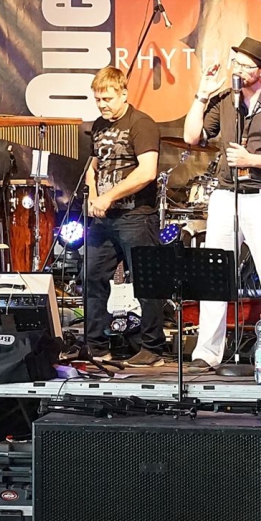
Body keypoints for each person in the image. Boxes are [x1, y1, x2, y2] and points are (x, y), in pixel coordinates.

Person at [183, 37, 261, 372]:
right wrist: (201, 95)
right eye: (235, 62)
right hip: (226, 196)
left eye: (245, 65)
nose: (237, 69)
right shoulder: (224, 100)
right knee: (214, 274)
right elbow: (191, 137)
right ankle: (207, 353)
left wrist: (253, 159)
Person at [81, 66, 167, 366]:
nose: (102, 105)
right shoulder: (99, 126)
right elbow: (93, 167)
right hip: (103, 218)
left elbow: (147, 171)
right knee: (92, 277)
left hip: (136, 216)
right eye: (98, 99)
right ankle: (96, 346)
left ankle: (152, 349)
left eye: (107, 98)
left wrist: (109, 196)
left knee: (146, 282)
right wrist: (94, 195)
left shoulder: (141, 124)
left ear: (124, 94)